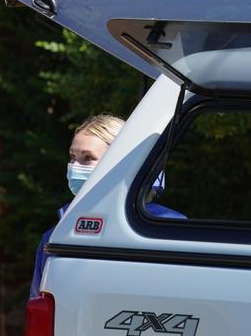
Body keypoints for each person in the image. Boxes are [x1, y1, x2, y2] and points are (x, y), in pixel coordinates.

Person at [29, 114, 184, 298]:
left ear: (121, 162)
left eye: (87, 158)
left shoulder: (169, 227)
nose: (74, 167)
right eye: (72, 157)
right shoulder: (55, 236)